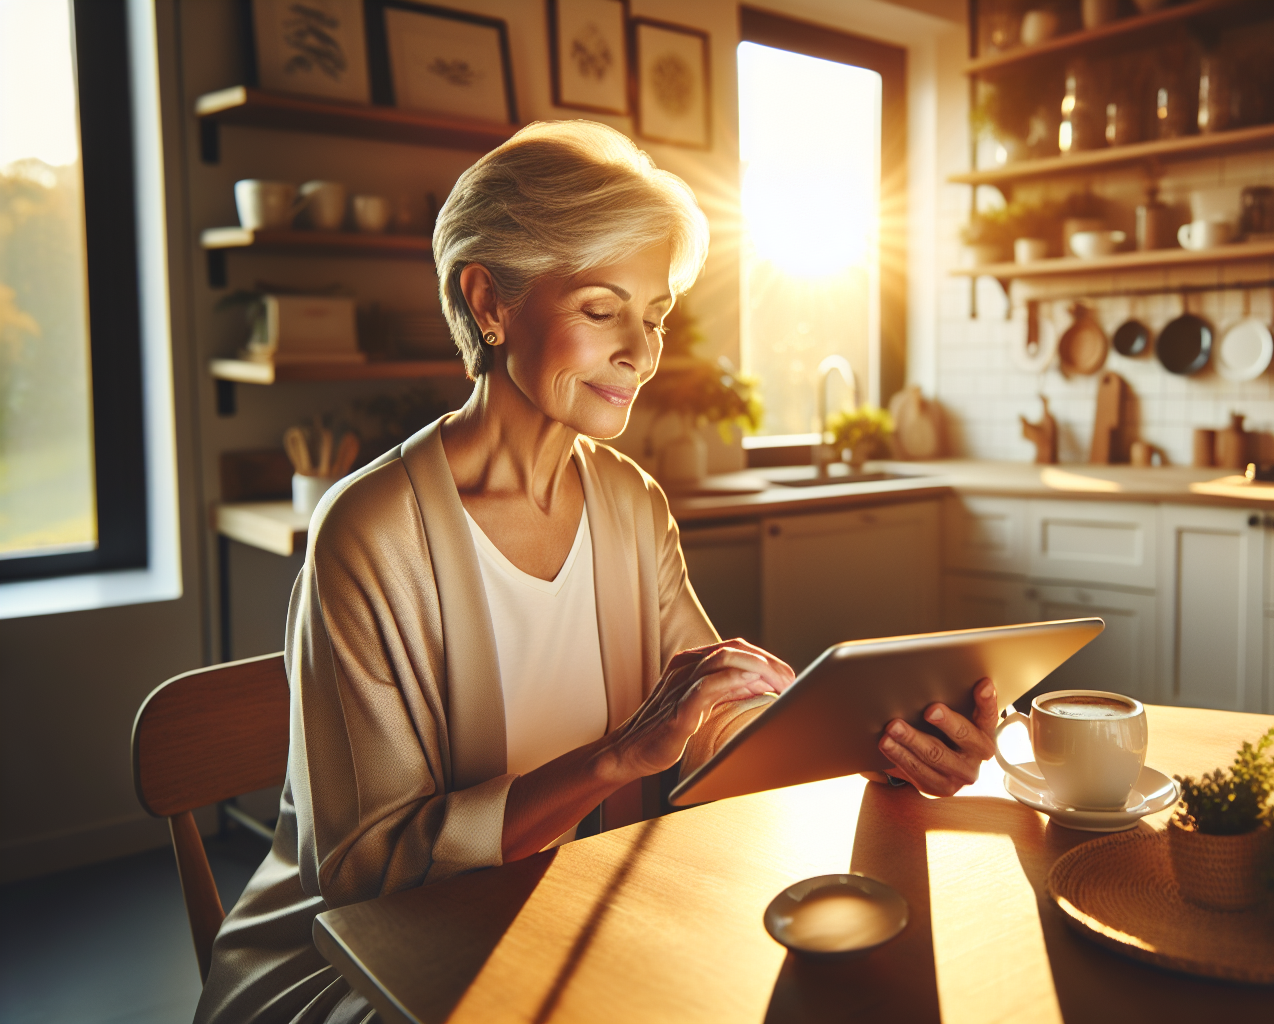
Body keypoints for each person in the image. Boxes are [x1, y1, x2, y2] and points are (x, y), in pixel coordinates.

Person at [195, 121, 1000, 1024]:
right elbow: (367, 869)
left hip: (565, 915)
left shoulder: (629, 502)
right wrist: (614, 759)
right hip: (361, 965)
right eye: (600, 308)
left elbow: (708, 720)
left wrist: (882, 741)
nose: (642, 352)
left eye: (653, 316)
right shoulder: (371, 531)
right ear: (489, 303)